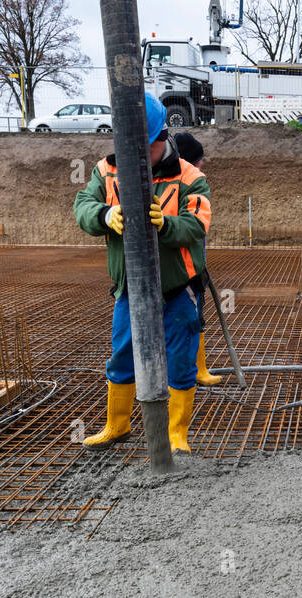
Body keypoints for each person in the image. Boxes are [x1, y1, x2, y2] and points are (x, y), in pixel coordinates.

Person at [74, 93, 212, 454]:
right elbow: (83, 206)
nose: (137, 156)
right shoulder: (106, 170)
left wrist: (166, 225)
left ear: (162, 137)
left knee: (181, 360)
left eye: (145, 147)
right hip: (129, 290)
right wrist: (105, 215)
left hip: (176, 289)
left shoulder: (190, 177)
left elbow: (197, 225)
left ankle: (176, 434)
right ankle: (117, 426)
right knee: (122, 356)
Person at [172, 131, 223, 387]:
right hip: (180, 270)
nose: (202, 163)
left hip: (194, 267)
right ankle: (185, 373)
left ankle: (199, 370)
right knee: (182, 322)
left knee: (195, 320)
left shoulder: (195, 183)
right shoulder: (178, 184)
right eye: (198, 159)